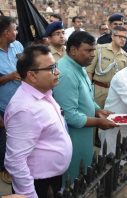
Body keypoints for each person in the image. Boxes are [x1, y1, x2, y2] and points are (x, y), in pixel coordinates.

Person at [4, 45, 72, 198]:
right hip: (37, 184)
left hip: (51, 178)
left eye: (56, 66)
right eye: (51, 68)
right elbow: (15, 161)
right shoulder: (25, 109)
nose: (58, 72)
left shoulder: (44, 94)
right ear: (32, 76)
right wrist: (29, 195)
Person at [53, 31, 117, 181]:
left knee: (82, 174)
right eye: (89, 50)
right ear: (74, 50)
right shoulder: (66, 73)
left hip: (84, 132)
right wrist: (98, 122)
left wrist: (97, 110)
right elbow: (69, 115)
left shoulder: (79, 66)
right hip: (73, 136)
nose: (93, 54)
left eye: (94, 50)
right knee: (72, 179)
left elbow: (86, 96)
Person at [0, 16, 23, 185]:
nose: (17, 32)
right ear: (6, 33)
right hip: (2, 106)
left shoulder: (18, 46)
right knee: (4, 139)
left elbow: (24, 65)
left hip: (20, 103)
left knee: (17, 138)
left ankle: (15, 165)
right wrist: (8, 77)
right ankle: (4, 169)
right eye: (14, 29)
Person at [87, 26, 127, 107]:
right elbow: (89, 71)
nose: (123, 39)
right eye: (120, 36)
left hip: (115, 92)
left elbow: (125, 78)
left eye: (125, 37)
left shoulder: (125, 56)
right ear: (112, 36)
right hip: (98, 90)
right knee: (95, 115)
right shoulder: (99, 49)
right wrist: (88, 91)